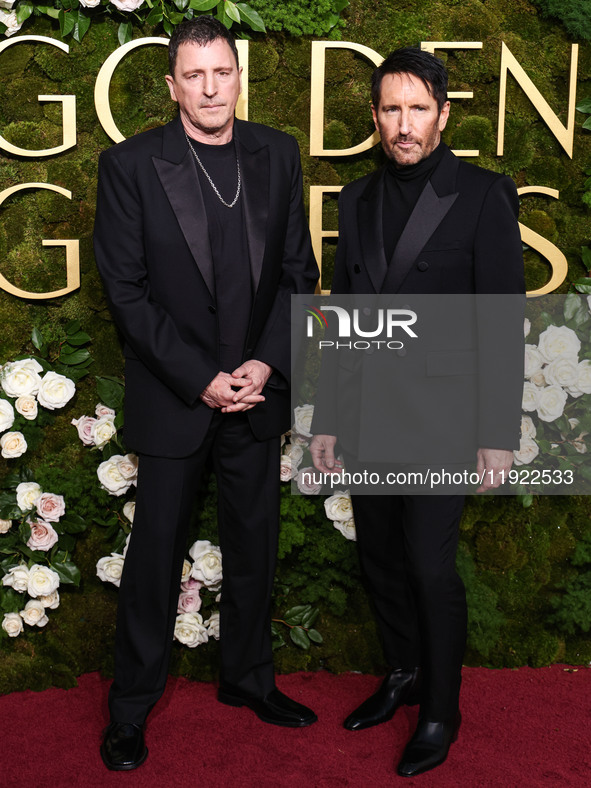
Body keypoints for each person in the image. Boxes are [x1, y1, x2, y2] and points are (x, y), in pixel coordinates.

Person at [93, 16, 319, 771]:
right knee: (154, 556)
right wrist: (199, 377)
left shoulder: (277, 154)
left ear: (237, 74)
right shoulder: (130, 165)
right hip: (175, 399)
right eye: (194, 75)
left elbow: (298, 274)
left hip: (254, 397)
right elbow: (126, 294)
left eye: (221, 71)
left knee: (254, 547)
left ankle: (248, 680)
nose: (210, 86)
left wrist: (265, 362)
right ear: (172, 86)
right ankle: (130, 709)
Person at [310, 47, 524, 778]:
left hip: (442, 418)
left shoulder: (481, 193)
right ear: (375, 118)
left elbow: (500, 324)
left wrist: (496, 433)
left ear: (442, 113)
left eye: (417, 109)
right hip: (370, 416)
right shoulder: (356, 199)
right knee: (380, 560)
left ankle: (440, 707)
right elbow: (340, 318)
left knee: (430, 567)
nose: (404, 125)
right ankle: (400, 672)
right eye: (391, 110)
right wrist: (328, 419)